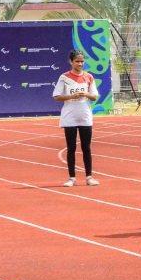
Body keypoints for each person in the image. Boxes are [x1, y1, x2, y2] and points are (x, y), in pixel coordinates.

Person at [52, 50, 100, 187]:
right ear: (71, 62)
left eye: (82, 61)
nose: (80, 64)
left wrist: (85, 93)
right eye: (77, 61)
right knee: (71, 147)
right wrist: (71, 96)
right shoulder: (64, 77)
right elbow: (56, 96)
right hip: (69, 117)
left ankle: (89, 177)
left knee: (86, 147)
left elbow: (94, 96)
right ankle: (72, 177)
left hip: (85, 116)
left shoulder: (89, 77)